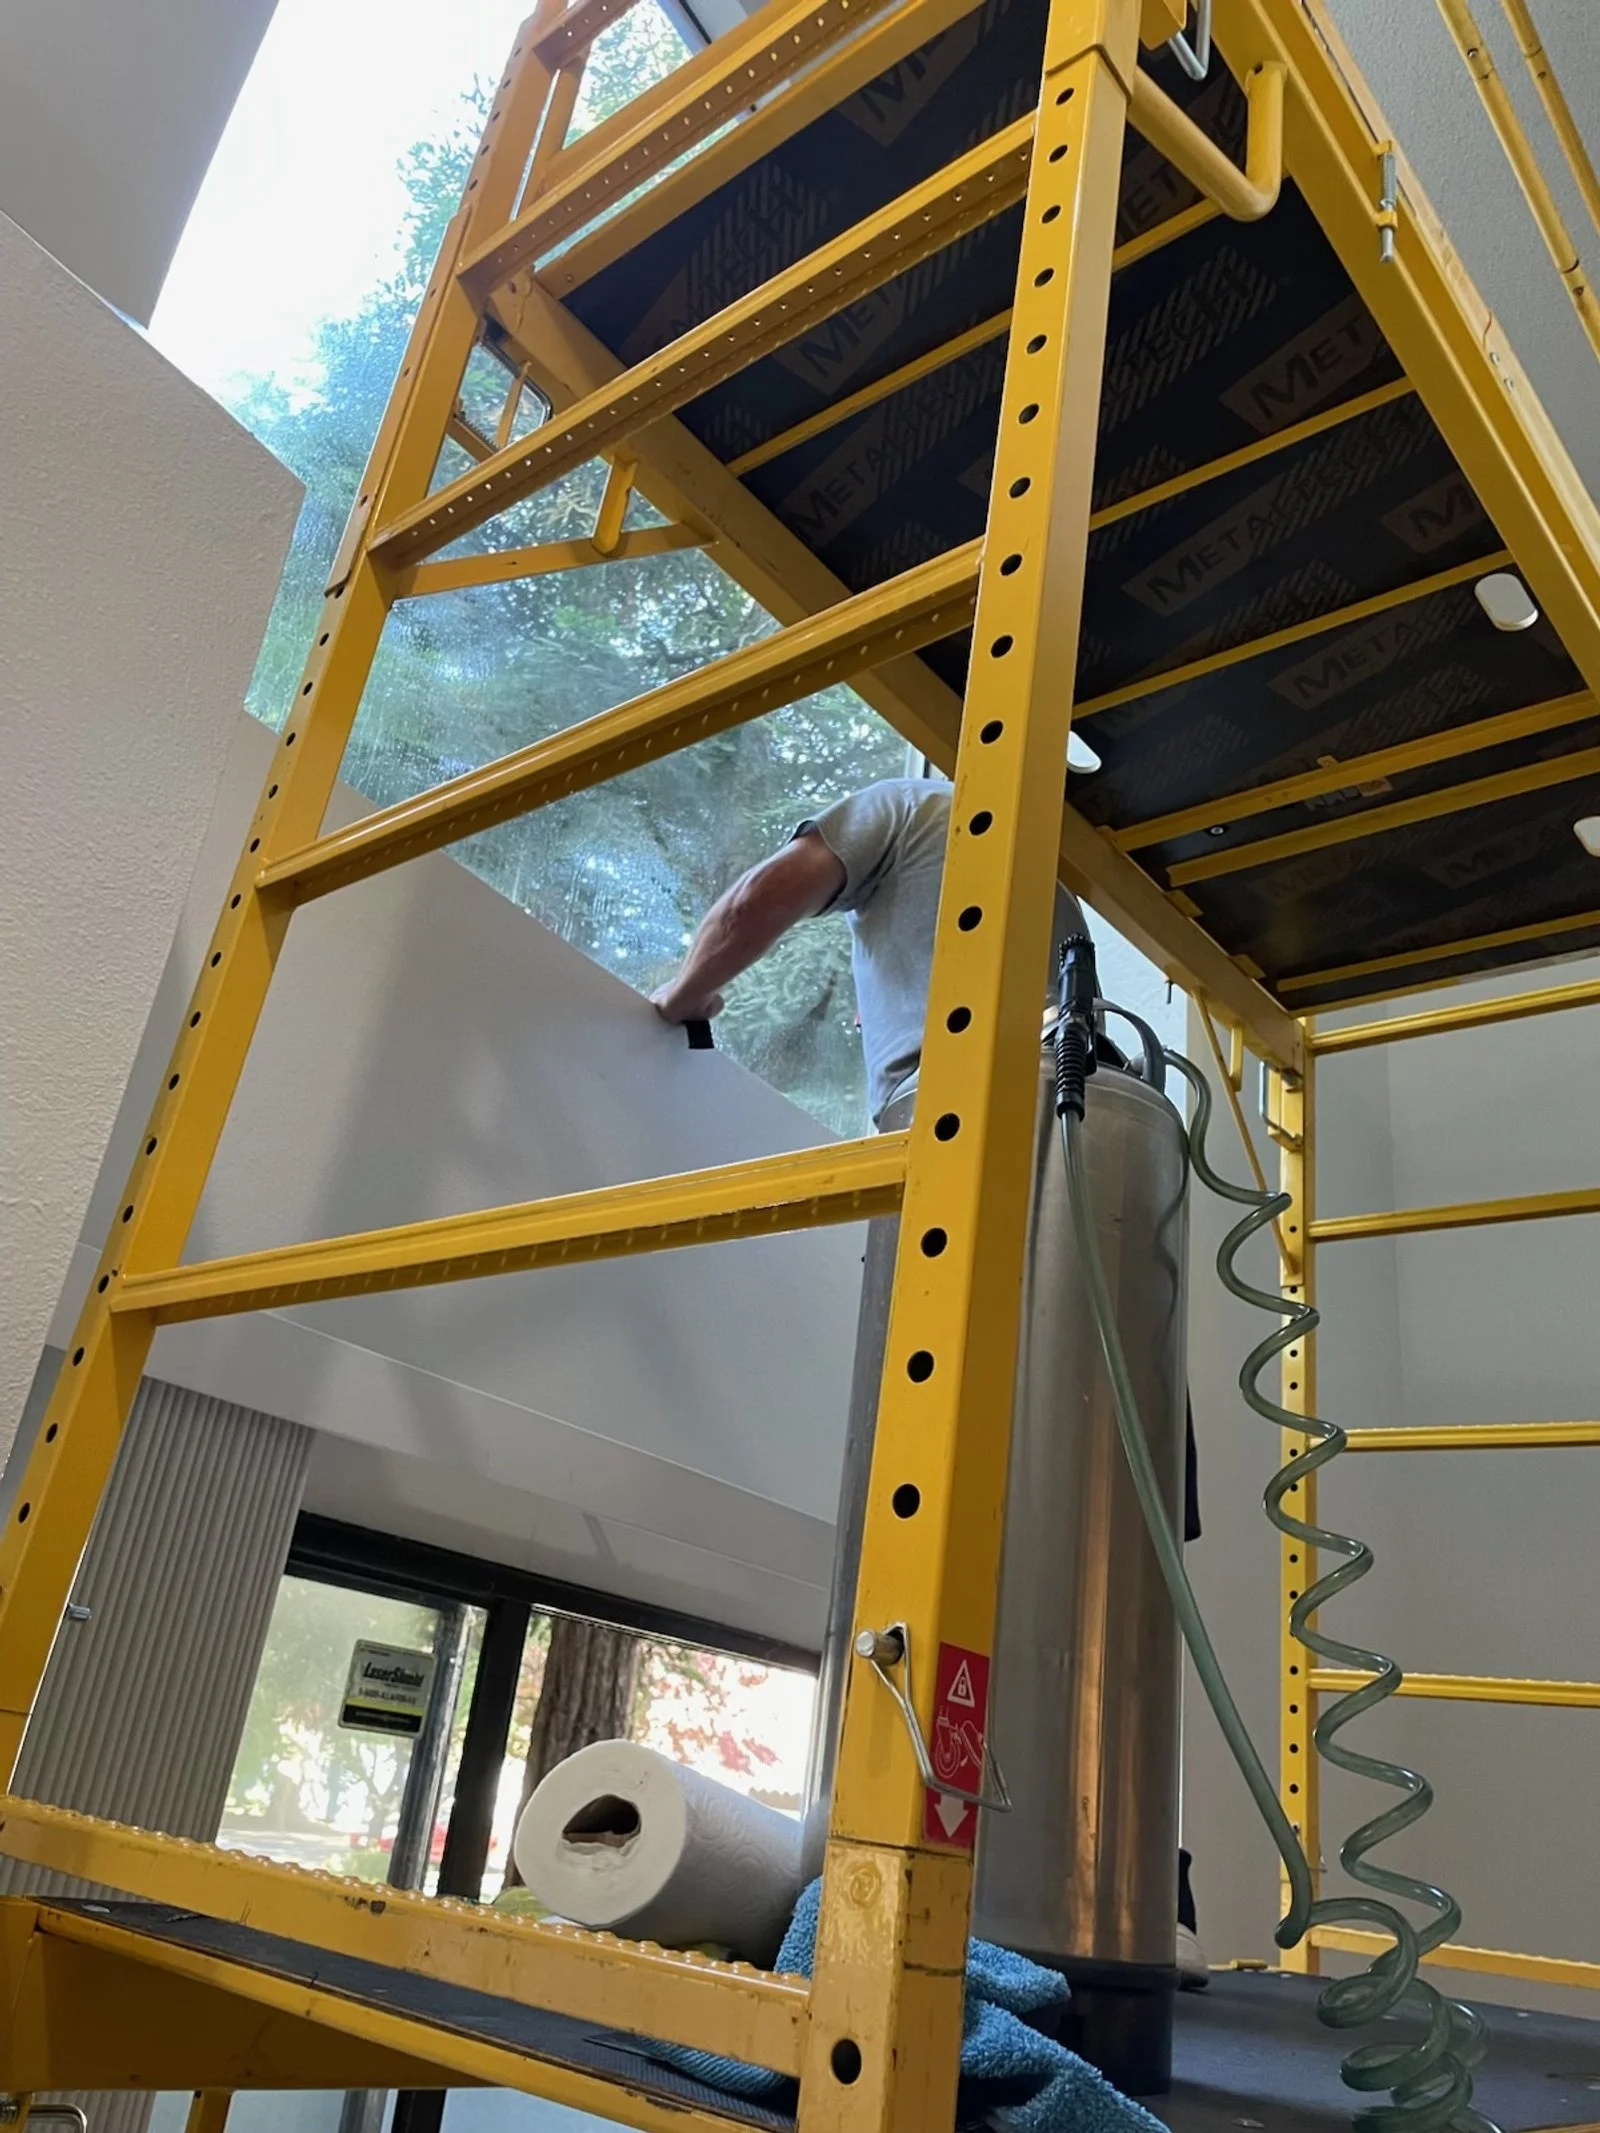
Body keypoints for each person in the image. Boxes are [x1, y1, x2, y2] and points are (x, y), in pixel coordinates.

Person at [652, 775, 1209, 1989]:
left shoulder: (904, 803)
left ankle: (911, 1907)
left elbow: (761, 897)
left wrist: (678, 1000)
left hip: (952, 1125)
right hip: (1059, 1140)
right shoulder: (1055, 893)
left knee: (935, 1501)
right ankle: (1067, 1918)